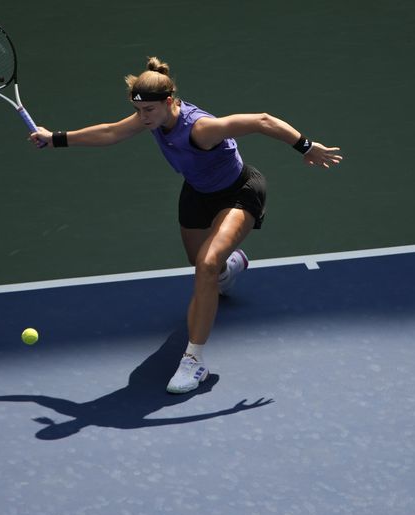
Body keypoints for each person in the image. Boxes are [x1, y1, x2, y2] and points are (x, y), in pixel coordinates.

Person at [30, 57, 343, 394]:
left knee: (205, 266)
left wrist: (306, 147)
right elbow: (110, 132)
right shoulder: (150, 119)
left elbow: (261, 120)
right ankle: (231, 265)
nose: (142, 117)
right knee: (204, 265)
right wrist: (55, 138)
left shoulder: (200, 128)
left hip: (238, 194)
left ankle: (194, 361)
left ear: (168, 103)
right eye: (139, 110)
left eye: (149, 110)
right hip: (196, 193)